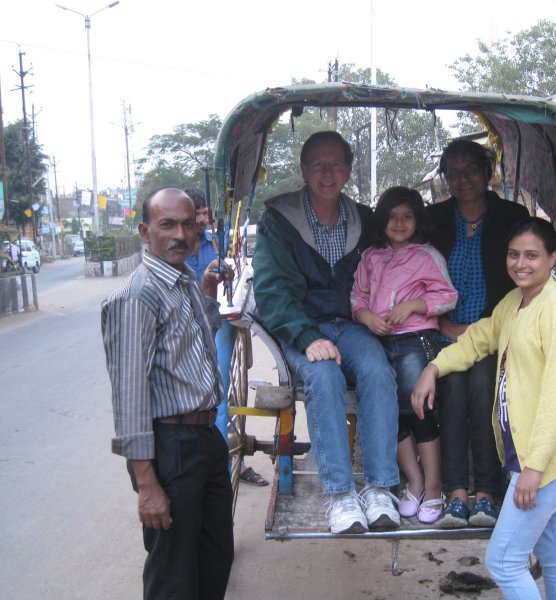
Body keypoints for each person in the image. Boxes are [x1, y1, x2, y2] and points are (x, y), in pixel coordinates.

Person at [412, 216, 556, 599]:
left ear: (553, 259)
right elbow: (478, 339)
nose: (520, 264)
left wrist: (533, 469)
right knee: (555, 556)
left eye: (532, 256)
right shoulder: (515, 303)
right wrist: (433, 367)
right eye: (514, 255)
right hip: (529, 457)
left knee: (505, 562)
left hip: (546, 462)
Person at [252, 131, 401, 534]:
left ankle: (379, 486)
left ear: (349, 170)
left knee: (376, 369)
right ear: (304, 169)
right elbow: (271, 291)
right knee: (323, 375)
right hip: (302, 326)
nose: (328, 172)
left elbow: (391, 265)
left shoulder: (365, 219)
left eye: (336, 164)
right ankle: (339, 493)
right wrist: (304, 337)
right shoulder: (279, 220)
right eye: (318, 164)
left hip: (351, 323)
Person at [101, 186, 234, 600]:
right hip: (169, 446)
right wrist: (147, 484)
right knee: (173, 573)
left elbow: (192, 345)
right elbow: (130, 396)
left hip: (204, 437)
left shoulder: (185, 282)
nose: (181, 234)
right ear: (145, 231)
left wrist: (209, 291)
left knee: (215, 556)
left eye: (189, 225)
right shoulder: (139, 296)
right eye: (168, 225)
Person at [426, 138, 529, 528]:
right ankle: (455, 494)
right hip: (443, 330)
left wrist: (482, 328)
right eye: (453, 172)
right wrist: (445, 326)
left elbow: (521, 279)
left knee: (485, 384)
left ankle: (486, 494)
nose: (462, 178)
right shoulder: (432, 219)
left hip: (494, 333)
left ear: (488, 173)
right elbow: (416, 276)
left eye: (471, 169)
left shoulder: (511, 216)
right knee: (450, 388)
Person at [351, 186, 457, 524]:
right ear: (381, 220)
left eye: (407, 216)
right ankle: (415, 482)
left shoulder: (426, 255)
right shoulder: (370, 256)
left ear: (417, 221)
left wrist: (414, 305)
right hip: (379, 342)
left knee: (419, 411)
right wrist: (365, 316)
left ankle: (436, 487)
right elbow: (357, 296)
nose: (399, 223)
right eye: (392, 216)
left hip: (416, 340)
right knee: (389, 413)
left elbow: (447, 296)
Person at [184, 187, 267, 487]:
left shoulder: (217, 243)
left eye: (206, 213)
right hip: (186, 330)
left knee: (220, 392)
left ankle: (225, 464)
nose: (204, 220)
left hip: (219, 321)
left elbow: (234, 273)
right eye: (198, 215)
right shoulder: (176, 250)